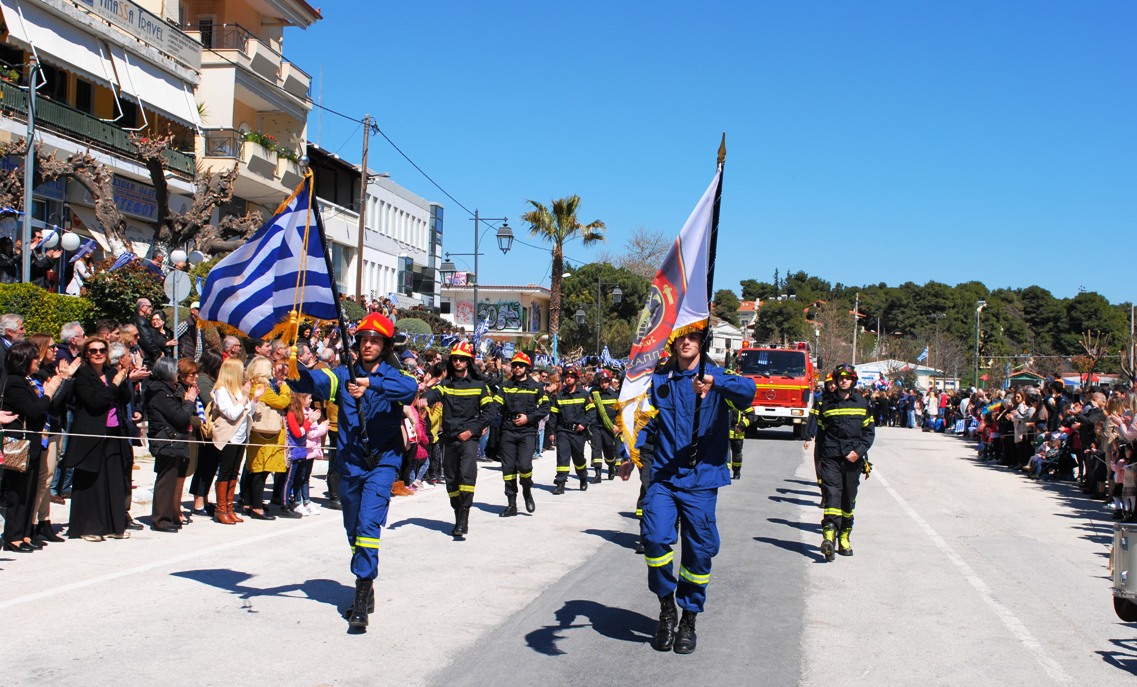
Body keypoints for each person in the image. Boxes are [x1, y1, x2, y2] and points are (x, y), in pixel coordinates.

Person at [289, 312, 418, 630]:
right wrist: (290, 370)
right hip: (349, 465)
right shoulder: (341, 375)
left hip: (382, 464)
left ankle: (360, 595)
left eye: (375, 340)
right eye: (364, 339)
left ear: (386, 345)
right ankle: (366, 582)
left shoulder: (393, 376)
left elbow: (409, 390)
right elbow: (313, 382)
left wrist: (369, 384)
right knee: (353, 529)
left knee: (368, 524)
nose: (368, 344)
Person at [634, 330, 756, 654]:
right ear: (673, 342)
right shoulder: (660, 380)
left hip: (701, 481)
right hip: (664, 477)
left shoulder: (717, 377)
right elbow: (645, 420)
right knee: (654, 539)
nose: (686, 342)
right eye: (680, 338)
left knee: (699, 552)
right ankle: (666, 608)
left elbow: (749, 392)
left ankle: (689, 618)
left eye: (693, 337)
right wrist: (628, 451)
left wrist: (716, 383)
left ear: (702, 342)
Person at [422, 341, 496, 537]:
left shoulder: (479, 386)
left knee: (466, 475)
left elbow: (489, 412)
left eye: (462, 359)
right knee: (451, 479)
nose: (458, 362)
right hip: (449, 438)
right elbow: (433, 394)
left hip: (468, 439)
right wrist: (424, 398)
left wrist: (472, 431)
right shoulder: (446, 385)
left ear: (468, 362)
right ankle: (457, 512)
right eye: (455, 359)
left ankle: (464, 518)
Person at [64, 338, 135, 541]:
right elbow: (95, 402)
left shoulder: (111, 372)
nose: (98, 354)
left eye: (102, 350)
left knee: (113, 479)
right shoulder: (83, 375)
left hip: (113, 432)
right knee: (91, 482)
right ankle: (89, 527)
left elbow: (125, 398)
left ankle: (114, 526)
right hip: (91, 433)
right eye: (93, 350)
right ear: (86, 354)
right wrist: (114, 385)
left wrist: (123, 379)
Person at [803, 364, 875, 562]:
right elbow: (822, 434)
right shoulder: (826, 404)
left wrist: (858, 453)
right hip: (831, 458)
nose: (843, 381)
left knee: (848, 500)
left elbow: (869, 433)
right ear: (835, 381)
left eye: (847, 378)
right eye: (840, 378)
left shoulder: (862, 403)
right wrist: (819, 459)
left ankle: (844, 537)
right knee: (832, 495)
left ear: (853, 381)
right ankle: (828, 537)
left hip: (853, 460)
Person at [2, 341, 64, 552]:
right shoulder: (14, 383)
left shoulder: (27, 381)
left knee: (29, 491)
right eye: (35, 358)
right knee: (17, 493)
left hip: (34, 444)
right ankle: (13, 537)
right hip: (18, 444)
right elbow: (34, 410)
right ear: (24, 360)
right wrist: (49, 392)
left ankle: (25, 533)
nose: (38, 361)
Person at [493, 351, 549, 517]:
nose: (517, 368)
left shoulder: (536, 387)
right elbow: (496, 406)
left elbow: (545, 407)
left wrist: (528, 418)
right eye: (515, 365)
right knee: (508, 468)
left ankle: (527, 490)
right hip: (508, 430)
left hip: (527, 431)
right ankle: (511, 504)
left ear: (527, 368)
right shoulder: (506, 386)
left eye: (521, 365)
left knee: (524, 466)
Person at [145, 358, 196, 532]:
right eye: (176, 371)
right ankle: (161, 520)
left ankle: (169, 516)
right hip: (166, 441)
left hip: (174, 441)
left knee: (172, 480)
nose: (178, 375)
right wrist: (189, 401)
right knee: (165, 482)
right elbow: (180, 417)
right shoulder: (159, 392)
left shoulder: (168, 389)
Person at [209, 357, 260, 525]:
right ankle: (221, 509)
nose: (244, 373)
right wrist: (245, 396)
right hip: (228, 437)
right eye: (241, 370)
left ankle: (229, 508)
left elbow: (248, 411)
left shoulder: (239, 389)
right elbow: (231, 413)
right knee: (225, 471)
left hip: (241, 436)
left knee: (234, 472)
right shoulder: (221, 390)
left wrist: (254, 399)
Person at [242, 356, 291, 519]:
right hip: (266, 436)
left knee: (253, 469)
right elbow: (281, 402)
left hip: (256, 434)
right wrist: (284, 388)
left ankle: (248, 503)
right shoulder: (262, 387)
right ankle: (257, 507)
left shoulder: (250, 385)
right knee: (261, 471)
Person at [189, 349, 222, 517]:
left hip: (212, 429)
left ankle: (205, 499)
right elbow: (210, 401)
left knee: (211, 466)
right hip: (204, 430)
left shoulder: (210, 379)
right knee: (204, 466)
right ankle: (198, 502)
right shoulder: (202, 380)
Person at [550, 366, 592, 495]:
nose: (568, 379)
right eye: (567, 377)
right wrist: (552, 432)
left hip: (578, 432)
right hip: (562, 430)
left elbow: (592, 412)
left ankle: (583, 477)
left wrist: (584, 424)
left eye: (571, 377)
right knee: (562, 456)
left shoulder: (584, 394)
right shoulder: (559, 396)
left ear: (576, 379)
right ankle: (560, 483)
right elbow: (553, 415)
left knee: (578, 458)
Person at [586, 369, 621, 483]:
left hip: (609, 427)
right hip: (596, 426)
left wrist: (616, 425)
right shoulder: (594, 394)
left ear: (609, 382)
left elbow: (619, 412)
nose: (604, 384)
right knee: (596, 448)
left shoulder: (614, 395)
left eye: (606, 382)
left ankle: (611, 466)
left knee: (609, 449)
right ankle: (598, 474)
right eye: (602, 382)